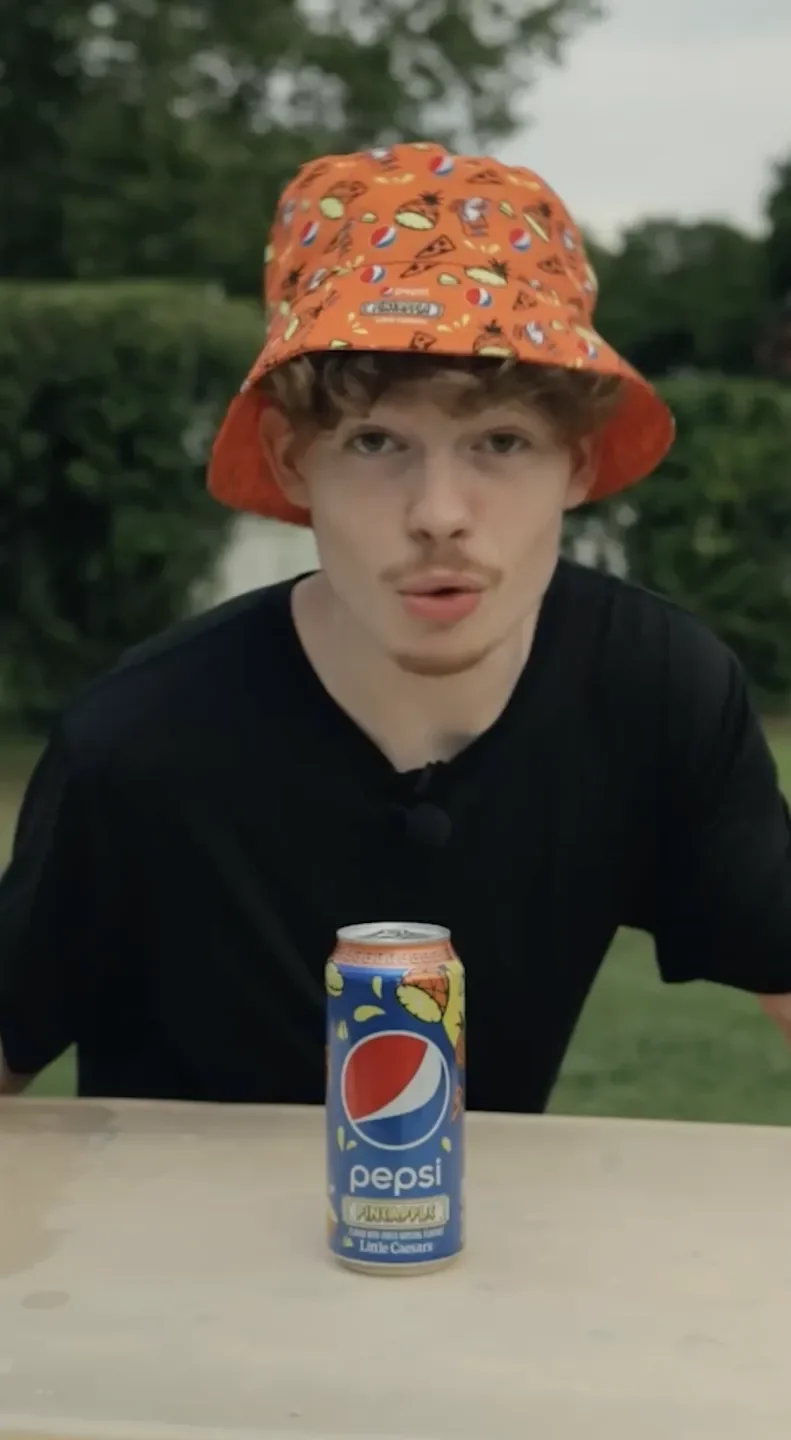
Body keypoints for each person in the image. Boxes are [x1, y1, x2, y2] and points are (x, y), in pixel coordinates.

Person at [2, 142, 791, 1106]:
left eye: (500, 441)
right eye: (375, 441)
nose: (439, 513)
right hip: (164, 1246)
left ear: (577, 465)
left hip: (487, 1253)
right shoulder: (137, 743)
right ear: (295, 464)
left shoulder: (659, 690)